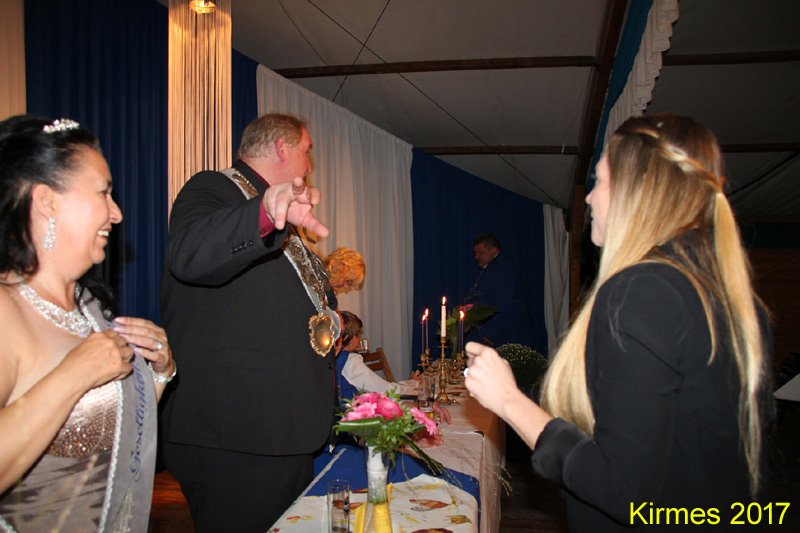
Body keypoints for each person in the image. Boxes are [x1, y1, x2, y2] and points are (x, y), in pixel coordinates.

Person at [464, 113, 772, 531]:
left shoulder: (645, 290)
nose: (590, 198)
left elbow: (624, 490)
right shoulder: (722, 293)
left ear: (639, 190)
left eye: (601, 181)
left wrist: (508, 400)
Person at [160, 113, 336, 531]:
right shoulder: (214, 188)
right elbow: (190, 253)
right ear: (282, 148)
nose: (309, 164)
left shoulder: (283, 220)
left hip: (281, 428)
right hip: (237, 431)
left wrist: (335, 323)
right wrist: (264, 212)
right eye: (306, 151)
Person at [0, 115, 175, 531]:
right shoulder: (5, 311)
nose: (117, 213)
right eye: (103, 192)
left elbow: (105, 436)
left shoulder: (89, 306)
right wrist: (74, 373)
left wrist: (160, 372)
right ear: (47, 201)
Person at [335, 311, 421, 408]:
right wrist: (414, 382)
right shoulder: (350, 361)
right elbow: (385, 390)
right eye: (357, 335)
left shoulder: (336, 358)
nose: (359, 340)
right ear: (348, 337)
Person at [462, 234, 534, 347]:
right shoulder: (493, 268)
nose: (476, 257)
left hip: (506, 334)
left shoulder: (502, 269)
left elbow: (502, 303)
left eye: (480, 253)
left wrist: (490, 335)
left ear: (494, 251)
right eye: (476, 253)